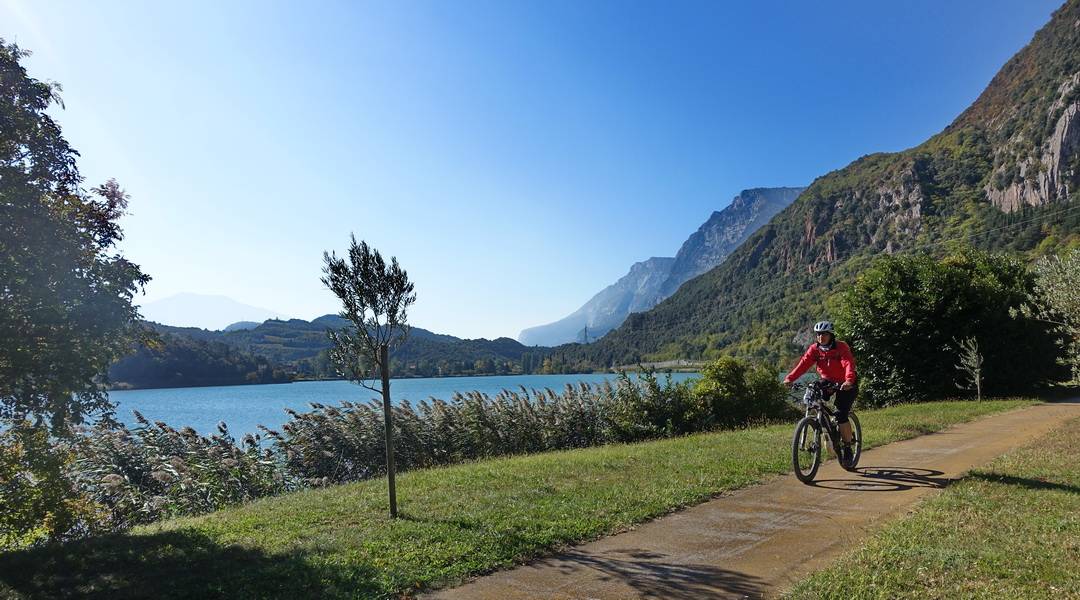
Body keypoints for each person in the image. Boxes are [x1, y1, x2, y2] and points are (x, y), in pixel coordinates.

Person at [783, 320, 858, 463]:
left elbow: (848, 363)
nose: (820, 337)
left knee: (841, 414)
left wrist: (849, 380)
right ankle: (826, 428)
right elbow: (803, 364)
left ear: (831, 335)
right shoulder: (815, 349)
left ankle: (847, 447)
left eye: (824, 334)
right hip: (827, 380)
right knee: (813, 398)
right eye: (818, 334)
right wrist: (790, 378)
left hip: (846, 383)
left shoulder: (841, 347)